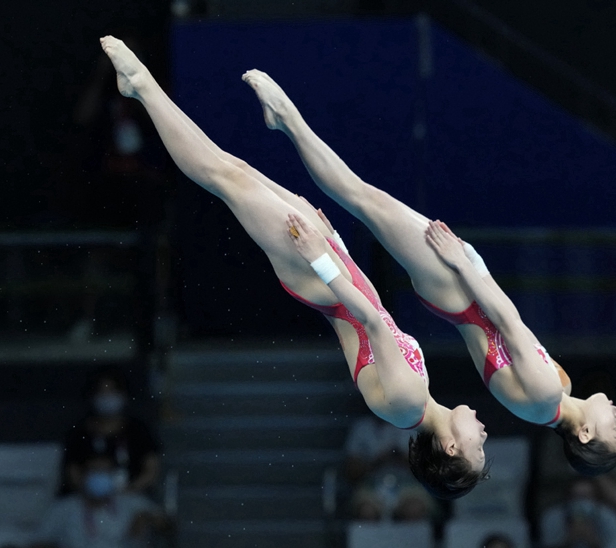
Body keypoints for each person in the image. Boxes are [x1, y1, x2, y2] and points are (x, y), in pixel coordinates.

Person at [98, 36, 489, 500]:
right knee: (237, 171)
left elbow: (368, 320)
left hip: (321, 281)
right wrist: (337, 246)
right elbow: (377, 314)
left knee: (226, 180)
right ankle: (160, 91)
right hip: (333, 275)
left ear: (449, 448)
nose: (484, 434)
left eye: (478, 448)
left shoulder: (407, 405)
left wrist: (320, 257)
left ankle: (141, 86)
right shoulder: (418, 397)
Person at [240, 70, 616, 477]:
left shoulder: (546, 396)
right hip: (467, 289)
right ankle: (286, 122)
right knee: (364, 199)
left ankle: (286, 119)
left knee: (362, 197)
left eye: (614, 429)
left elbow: (508, 321)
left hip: (459, 290)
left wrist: (463, 265)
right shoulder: (556, 393)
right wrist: (473, 268)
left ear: (585, 433)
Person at [27, 452, 169, 548]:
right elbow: (38, 542)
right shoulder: (64, 507)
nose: (100, 476)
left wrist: (147, 518)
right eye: (95, 471)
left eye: (104, 472)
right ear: (82, 475)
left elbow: (169, 526)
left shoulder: (132, 502)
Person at [61, 368, 160, 496]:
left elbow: (151, 469)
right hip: (85, 499)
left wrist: (129, 491)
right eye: (102, 392)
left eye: (112, 391)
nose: (107, 397)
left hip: (130, 497)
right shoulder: (79, 433)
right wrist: (90, 494)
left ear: (123, 395)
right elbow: (72, 470)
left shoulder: (138, 430)